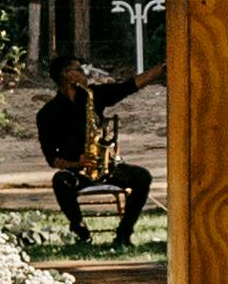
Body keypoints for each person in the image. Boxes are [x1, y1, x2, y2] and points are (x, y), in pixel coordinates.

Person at [39, 53, 162, 251]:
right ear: (66, 76)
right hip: (77, 172)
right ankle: (81, 232)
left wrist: (162, 68)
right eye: (78, 70)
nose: (83, 73)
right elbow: (52, 159)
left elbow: (129, 86)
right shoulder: (47, 114)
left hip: (106, 167)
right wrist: (76, 163)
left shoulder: (93, 95)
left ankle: (124, 234)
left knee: (142, 176)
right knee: (59, 181)